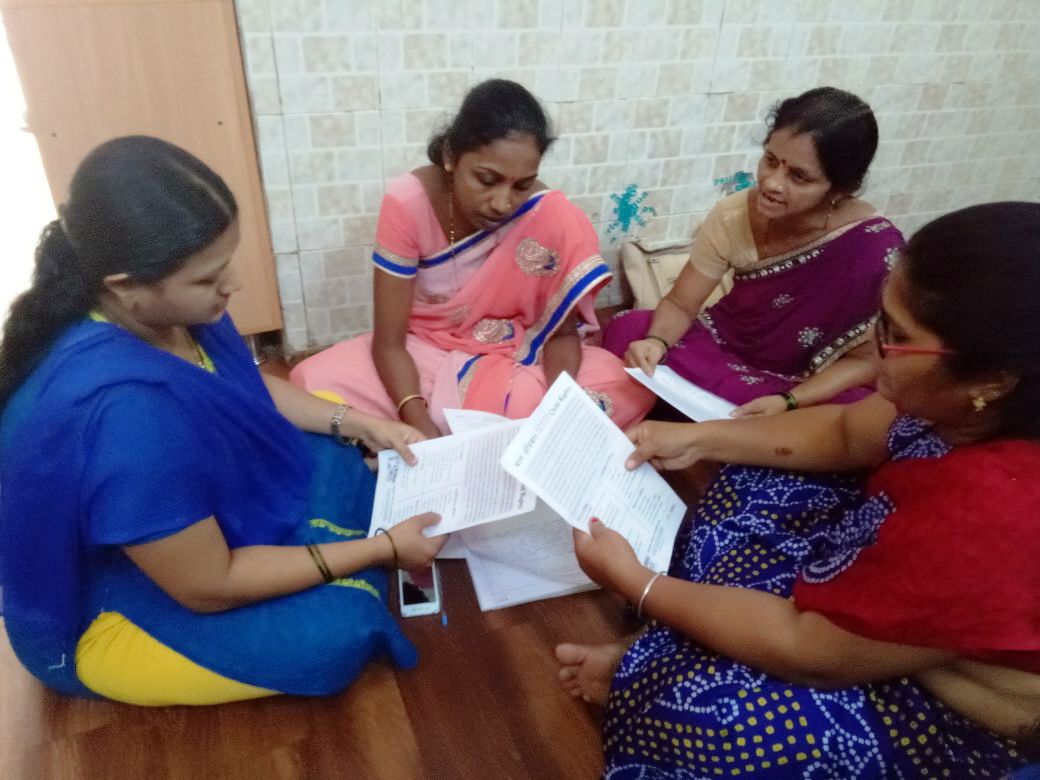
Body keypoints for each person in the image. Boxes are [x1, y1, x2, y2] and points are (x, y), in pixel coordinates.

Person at [556, 202, 1040, 776]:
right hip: (879, 598)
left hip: (936, 703)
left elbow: (808, 649)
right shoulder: (965, 403)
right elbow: (845, 431)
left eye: (897, 336)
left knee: (716, 724)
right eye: (880, 318)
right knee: (748, 478)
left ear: (992, 380)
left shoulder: (997, 512)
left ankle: (654, 660)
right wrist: (697, 438)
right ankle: (662, 649)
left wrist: (636, 583)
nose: (873, 349)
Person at [0, 136, 446, 706]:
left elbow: (244, 388)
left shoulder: (166, 312)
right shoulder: (128, 417)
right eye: (208, 278)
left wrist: (362, 423)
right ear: (125, 285)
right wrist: (381, 549)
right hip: (116, 596)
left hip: (174, 517)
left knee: (334, 438)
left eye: (226, 262)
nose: (231, 284)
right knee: (335, 637)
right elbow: (209, 586)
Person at [289, 79, 654, 436]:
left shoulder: (547, 214)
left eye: (521, 185)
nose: (503, 202)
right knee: (310, 381)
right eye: (487, 179)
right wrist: (419, 424)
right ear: (451, 156)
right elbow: (389, 344)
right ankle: (476, 427)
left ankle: (472, 426)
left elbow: (561, 335)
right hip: (426, 350)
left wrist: (557, 408)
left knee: (628, 384)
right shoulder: (407, 203)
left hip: (516, 353)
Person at [604, 87, 904, 418]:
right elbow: (680, 304)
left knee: (860, 414)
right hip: (723, 347)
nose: (772, 183)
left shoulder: (875, 248)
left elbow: (865, 362)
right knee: (630, 330)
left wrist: (790, 401)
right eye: (770, 160)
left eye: (799, 177)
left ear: (839, 188)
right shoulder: (733, 215)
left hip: (803, 383)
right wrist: (657, 342)